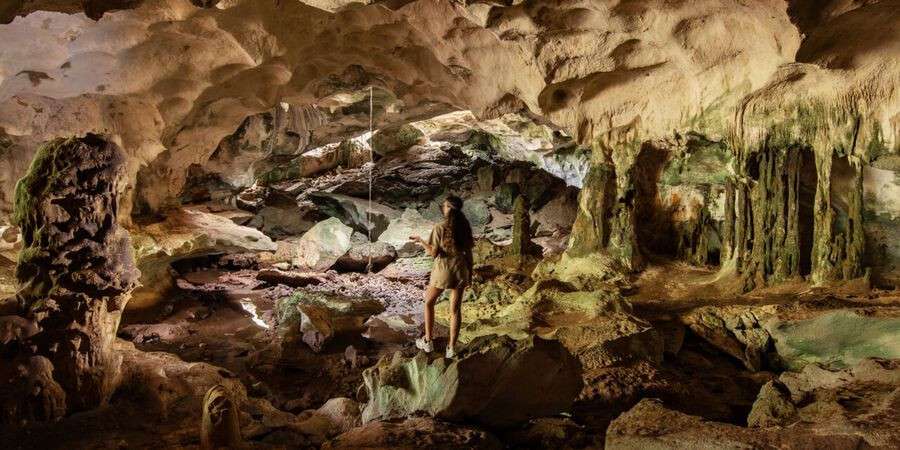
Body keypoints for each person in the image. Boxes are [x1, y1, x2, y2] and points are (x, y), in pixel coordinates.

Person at [409, 194, 474, 358]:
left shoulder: (440, 227)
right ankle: (451, 348)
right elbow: (469, 253)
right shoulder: (465, 226)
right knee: (455, 310)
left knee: (429, 303)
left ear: (449, 208)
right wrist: (470, 274)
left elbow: (433, 253)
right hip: (461, 270)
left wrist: (421, 241)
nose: (443, 208)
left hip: (443, 271)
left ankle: (428, 341)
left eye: (444, 206)